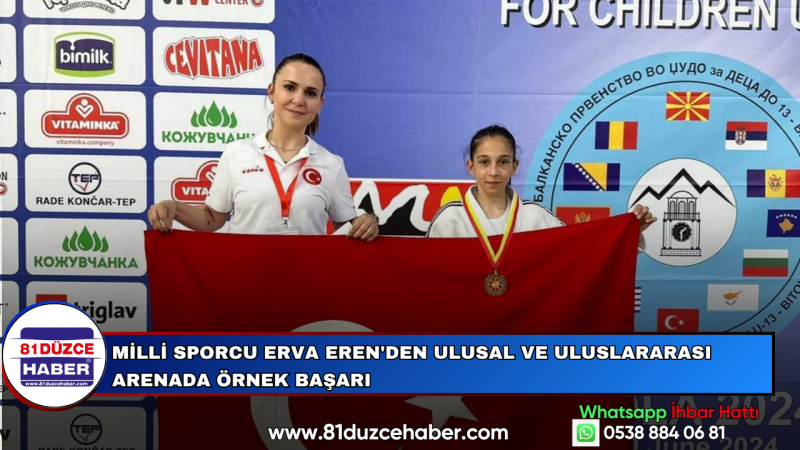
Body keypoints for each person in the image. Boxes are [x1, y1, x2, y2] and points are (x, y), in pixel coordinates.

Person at [148, 53, 378, 240]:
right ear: (271, 92)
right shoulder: (236, 153)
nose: (299, 100)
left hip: (306, 279)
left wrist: (367, 223)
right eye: (290, 87)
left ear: (320, 104)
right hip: (245, 276)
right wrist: (173, 208)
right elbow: (211, 219)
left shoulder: (331, 164)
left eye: (310, 93)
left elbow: (347, 227)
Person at [427, 125, 656, 239]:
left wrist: (629, 233)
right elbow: (427, 278)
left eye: (503, 162)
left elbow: (582, 252)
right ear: (471, 167)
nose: (494, 172)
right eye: (484, 162)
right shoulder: (449, 220)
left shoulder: (538, 218)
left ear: (514, 166)